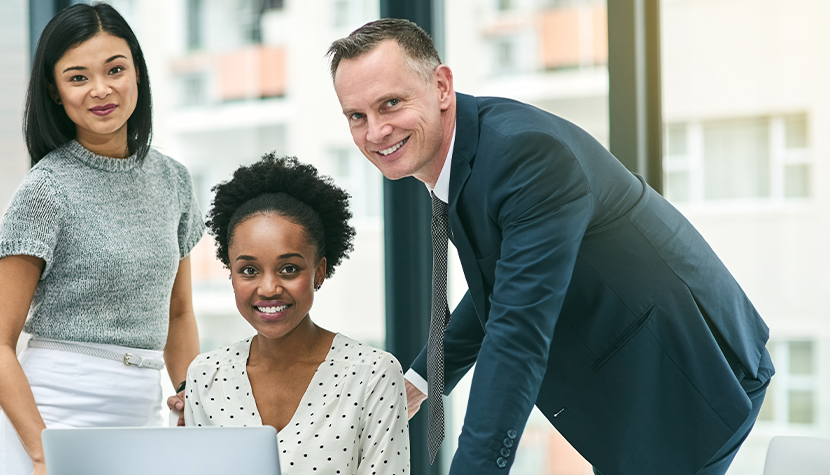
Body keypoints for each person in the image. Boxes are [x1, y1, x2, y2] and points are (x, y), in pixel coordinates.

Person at [327, 18, 774, 475]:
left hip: (692, 373)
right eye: (357, 116)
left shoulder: (525, 156)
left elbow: (516, 333)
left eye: (391, 103)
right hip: (632, 374)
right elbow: (502, 287)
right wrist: (419, 381)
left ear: (441, 87)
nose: (375, 132)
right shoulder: (467, 154)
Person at [0, 4, 203, 475]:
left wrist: (193, 401)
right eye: (77, 77)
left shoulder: (174, 181)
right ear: (56, 93)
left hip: (143, 412)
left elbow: (178, 312)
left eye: (115, 70)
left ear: (137, 75)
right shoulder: (45, 190)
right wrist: (42, 451)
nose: (101, 90)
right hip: (55, 416)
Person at [180, 154, 410, 475]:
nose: (269, 288)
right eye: (249, 270)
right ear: (231, 275)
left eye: (289, 269)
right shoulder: (206, 376)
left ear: (319, 272)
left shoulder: (373, 375)